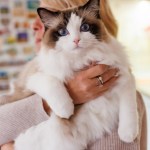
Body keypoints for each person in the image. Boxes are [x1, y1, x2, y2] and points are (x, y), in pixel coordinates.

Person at [0, 0, 147, 150]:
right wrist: (51, 102)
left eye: (50, 11)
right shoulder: (33, 75)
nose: (35, 25)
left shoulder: (122, 94)